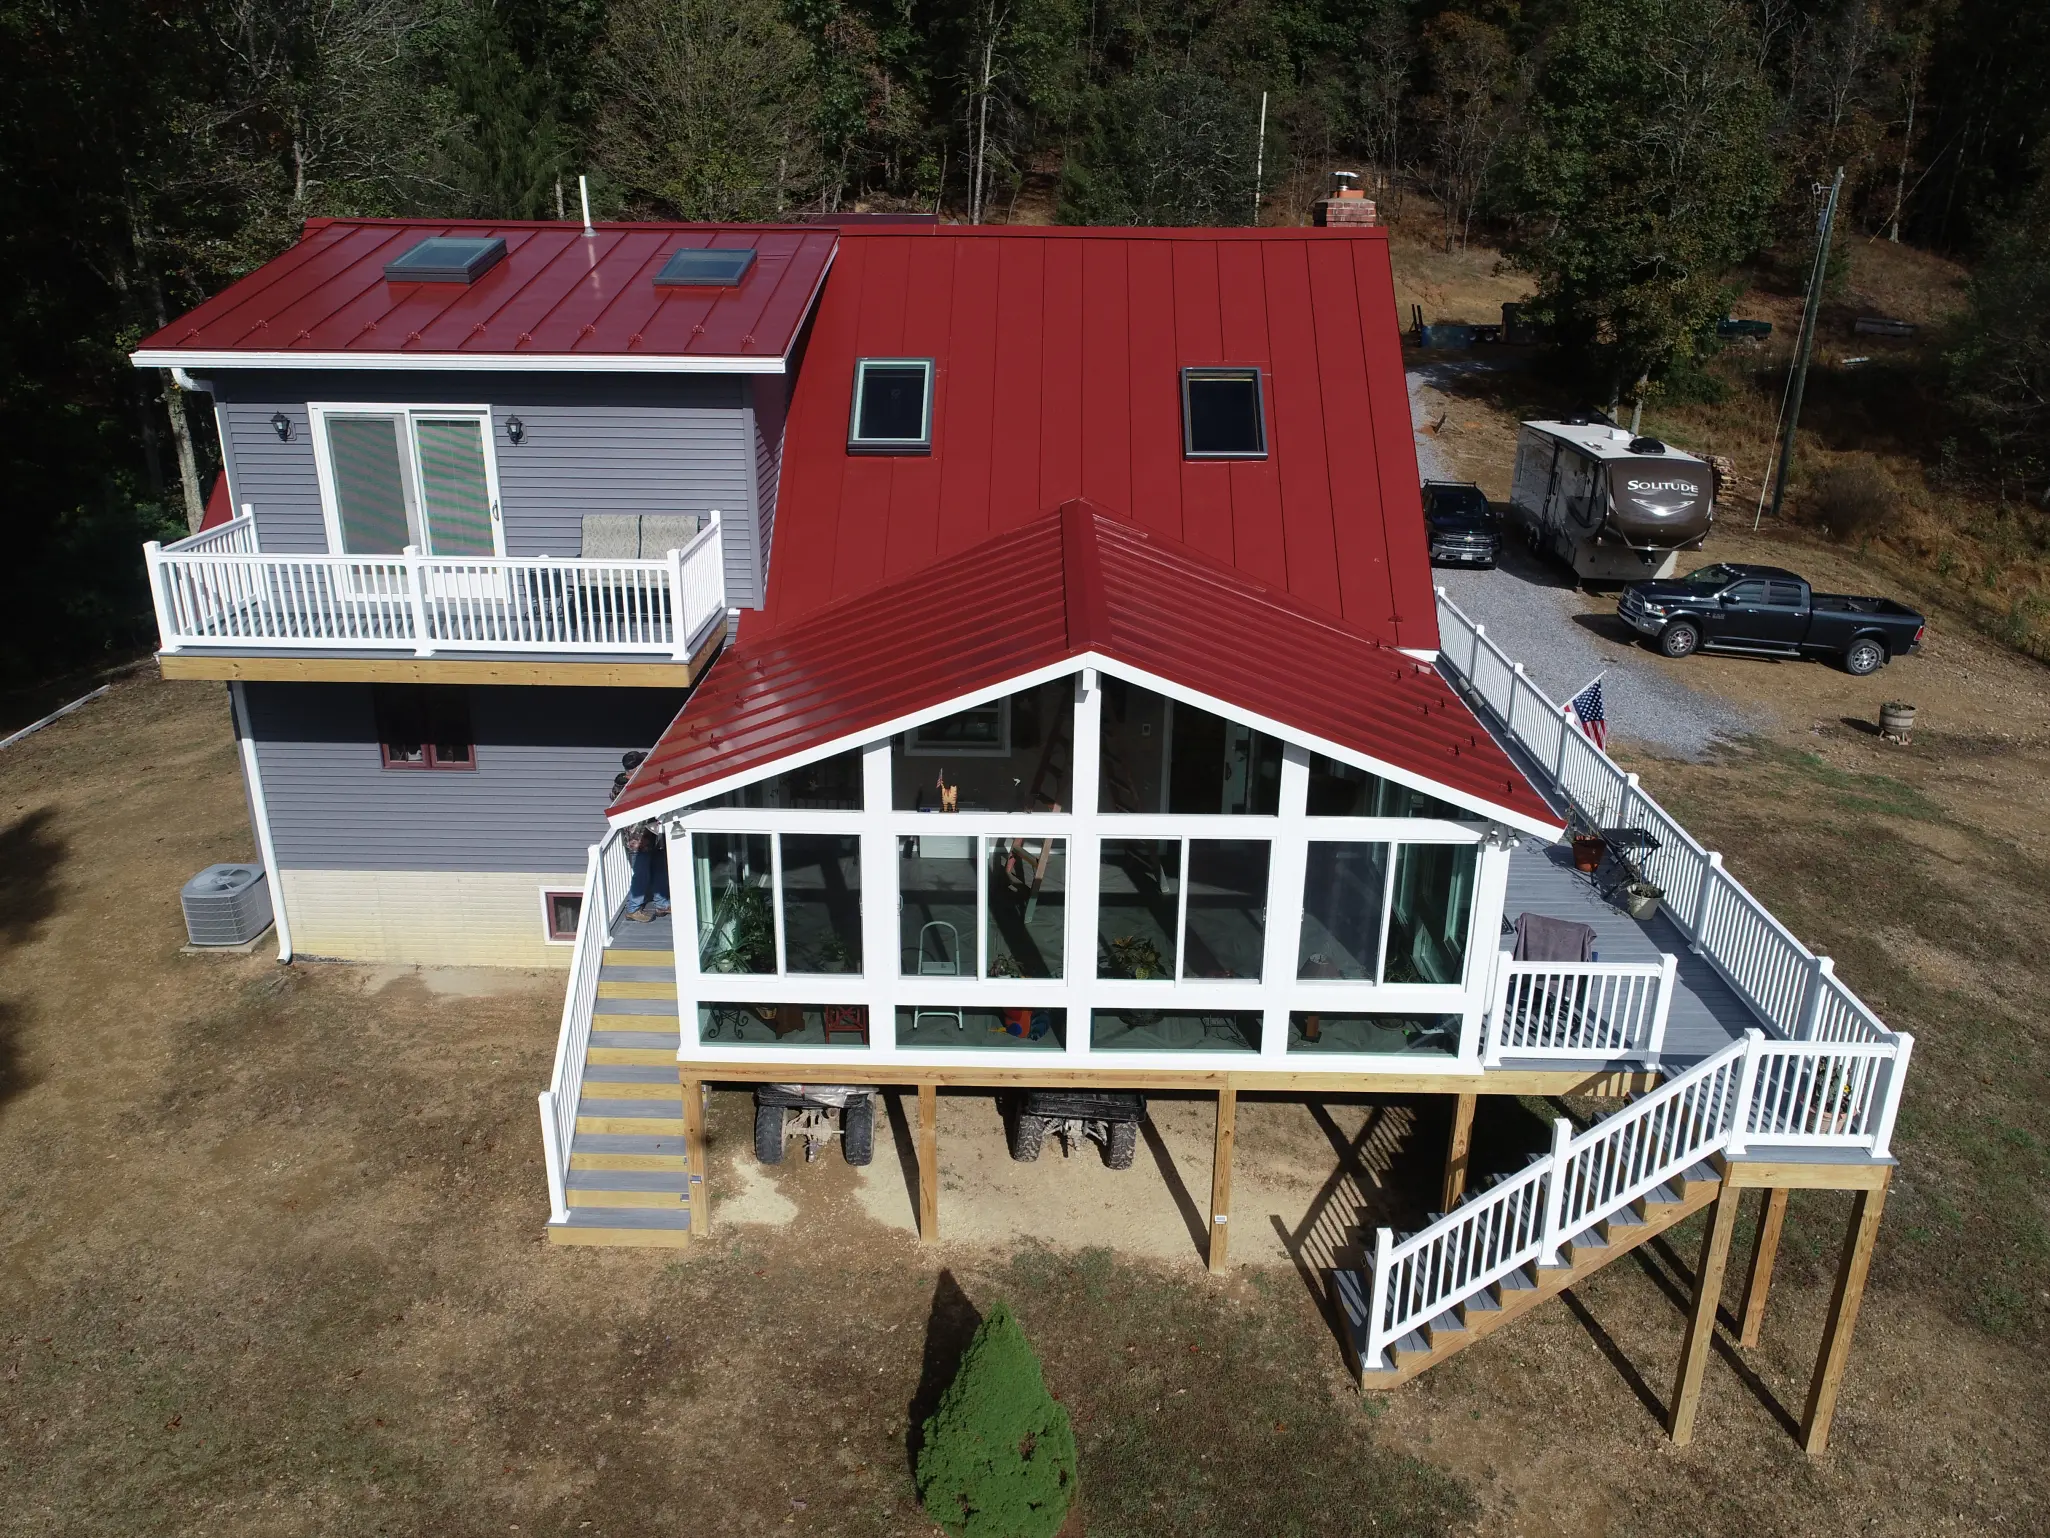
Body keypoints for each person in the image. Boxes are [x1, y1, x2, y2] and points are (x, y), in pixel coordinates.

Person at [612, 750, 670, 923]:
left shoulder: (641, 783)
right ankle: (633, 909)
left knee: (660, 869)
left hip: (653, 835)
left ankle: (662, 904)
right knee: (641, 874)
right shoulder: (623, 787)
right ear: (635, 768)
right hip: (637, 839)